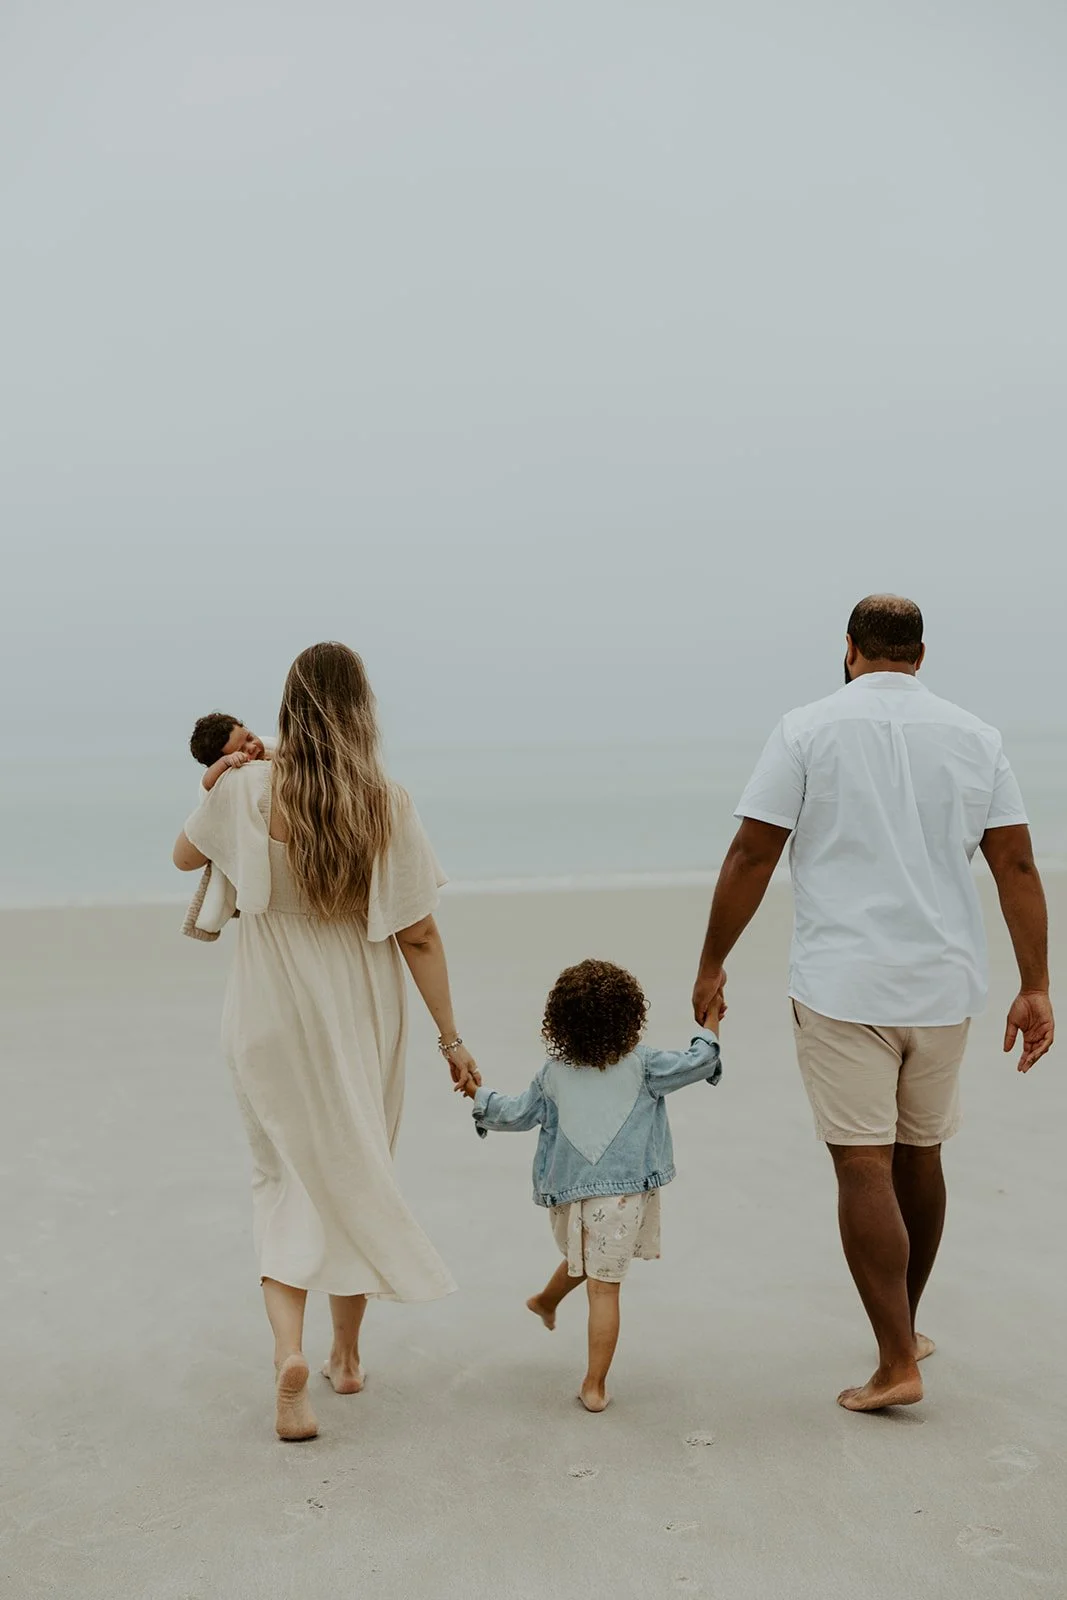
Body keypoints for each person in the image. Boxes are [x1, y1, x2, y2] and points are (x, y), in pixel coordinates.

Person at [692, 595, 1054, 1413]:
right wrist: (1034, 985)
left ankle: (896, 1359)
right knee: (918, 1156)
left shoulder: (805, 728)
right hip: (943, 983)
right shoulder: (974, 736)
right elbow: (1017, 866)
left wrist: (712, 962)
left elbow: (753, 851)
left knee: (861, 1160)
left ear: (849, 649)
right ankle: (906, 1330)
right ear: (919, 656)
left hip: (842, 983)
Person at [173, 642, 480, 1442]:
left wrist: (222, 774)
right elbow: (416, 934)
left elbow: (182, 857)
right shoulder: (385, 801)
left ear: (288, 707)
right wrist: (452, 1040)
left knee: (281, 1179)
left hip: (267, 1006)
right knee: (355, 1171)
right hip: (357, 1009)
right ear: (360, 711)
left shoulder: (242, 788)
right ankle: (345, 1359)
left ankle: (288, 1355)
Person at [465, 959, 723, 1412]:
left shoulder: (552, 1074)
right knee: (604, 1286)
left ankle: (545, 1301)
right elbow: (701, 1061)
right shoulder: (645, 1066)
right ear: (630, 1019)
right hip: (621, 1199)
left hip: (569, 1196)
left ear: (559, 1025)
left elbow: (515, 1114)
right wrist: (712, 1019)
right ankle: (595, 1384)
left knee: (582, 1256)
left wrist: (477, 1095)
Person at [189, 712, 271, 792]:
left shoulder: (270, 747)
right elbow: (206, 783)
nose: (252, 747)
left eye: (249, 738)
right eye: (241, 751)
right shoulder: (225, 777)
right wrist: (225, 761)